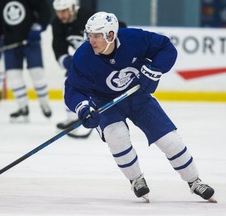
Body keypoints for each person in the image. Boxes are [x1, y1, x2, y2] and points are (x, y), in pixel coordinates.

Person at [64, 11, 216, 202]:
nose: (91, 41)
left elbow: (167, 48)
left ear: (110, 35)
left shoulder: (134, 38)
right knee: (116, 136)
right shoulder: (83, 56)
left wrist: (155, 69)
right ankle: (136, 179)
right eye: (90, 35)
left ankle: (194, 181)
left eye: (96, 36)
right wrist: (83, 108)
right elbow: (72, 89)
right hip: (104, 102)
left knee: (170, 140)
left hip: (138, 96)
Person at [52, 0, 127, 137]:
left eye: (64, 11)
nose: (61, 15)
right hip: (88, 58)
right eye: (58, 12)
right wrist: (69, 62)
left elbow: (120, 27)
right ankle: (75, 117)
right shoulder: (57, 24)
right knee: (70, 81)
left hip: (104, 57)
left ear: (73, 7)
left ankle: (100, 117)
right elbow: (58, 48)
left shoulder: (89, 17)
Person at [0, 0, 52, 122]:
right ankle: (23, 108)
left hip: (30, 42)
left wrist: (38, 27)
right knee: (14, 77)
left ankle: (45, 104)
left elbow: (45, 11)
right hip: (10, 44)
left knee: (37, 74)